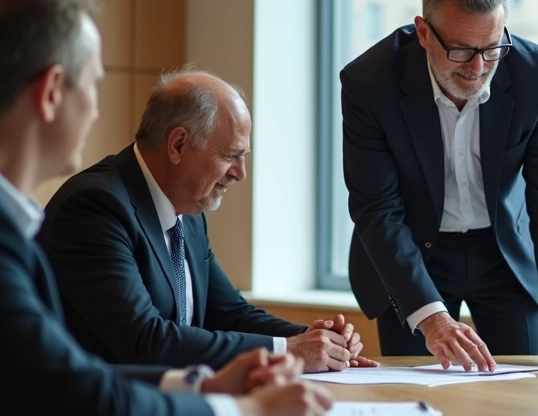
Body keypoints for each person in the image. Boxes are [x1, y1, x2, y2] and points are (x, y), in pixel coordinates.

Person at [0, 0, 332, 416]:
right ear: (52, 92)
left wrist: (202, 386)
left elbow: (66, 372)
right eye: (93, 84)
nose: (98, 108)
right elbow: (80, 403)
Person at [341, 0, 538, 369]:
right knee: (416, 395)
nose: (478, 68)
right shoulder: (368, 83)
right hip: (411, 253)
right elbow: (377, 211)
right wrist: (432, 318)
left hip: (505, 254)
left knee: (526, 394)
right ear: (423, 32)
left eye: (492, 48)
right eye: (460, 51)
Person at [40, 69, 375, 371]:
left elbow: (228, 312)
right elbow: (144, 341)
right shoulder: (96, 208)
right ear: (178, 144)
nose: (240, 174)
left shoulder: (188, 211)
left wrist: (314, 338)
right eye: (231, 156)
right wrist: (287, 350)